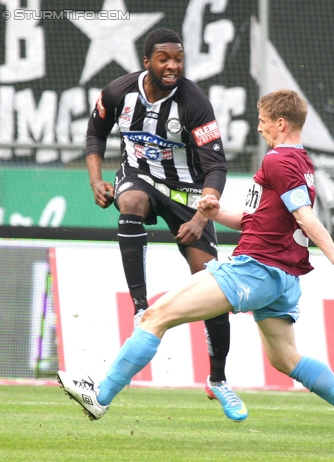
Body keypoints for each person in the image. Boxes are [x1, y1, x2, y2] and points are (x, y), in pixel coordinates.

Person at [59, 89, 334, 454]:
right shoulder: (301, 162)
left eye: (264, 121)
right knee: (285, 359)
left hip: (256, 269)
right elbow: (255, 219)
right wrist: (214, 212)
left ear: (281, 123)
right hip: (282, 277)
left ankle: (101, 396)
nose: (260, 128)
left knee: (155, 316)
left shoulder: (279, 162)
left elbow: (303, 215)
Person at [84, 28, 246, 421]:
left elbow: (216, 167)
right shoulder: (118, 92)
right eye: (164, 59)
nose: (172, 65)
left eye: (178, 58)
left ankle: (219, 379)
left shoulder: (195, 104)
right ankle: (141, 307)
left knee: (212, 282)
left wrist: (199, 215)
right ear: (147, 62)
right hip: (138, 177)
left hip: (186, 194)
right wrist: (96, 179)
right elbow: (95, 133)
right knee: (132, 199)